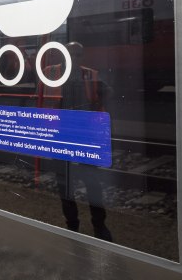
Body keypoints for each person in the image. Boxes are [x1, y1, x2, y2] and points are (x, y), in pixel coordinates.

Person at [38, 41, 113, 242]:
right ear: (64, 55)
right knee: (64, 183)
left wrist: (97, 109)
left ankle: (99, 224)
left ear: (82, 56)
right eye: (71, 54)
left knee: (92, 182)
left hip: (83, 134)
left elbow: (107, 92)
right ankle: (72, 224)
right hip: (59, 134)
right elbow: (40, 97)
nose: (74, 58)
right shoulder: (50, 72)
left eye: (78, 55)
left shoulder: (90, 74)